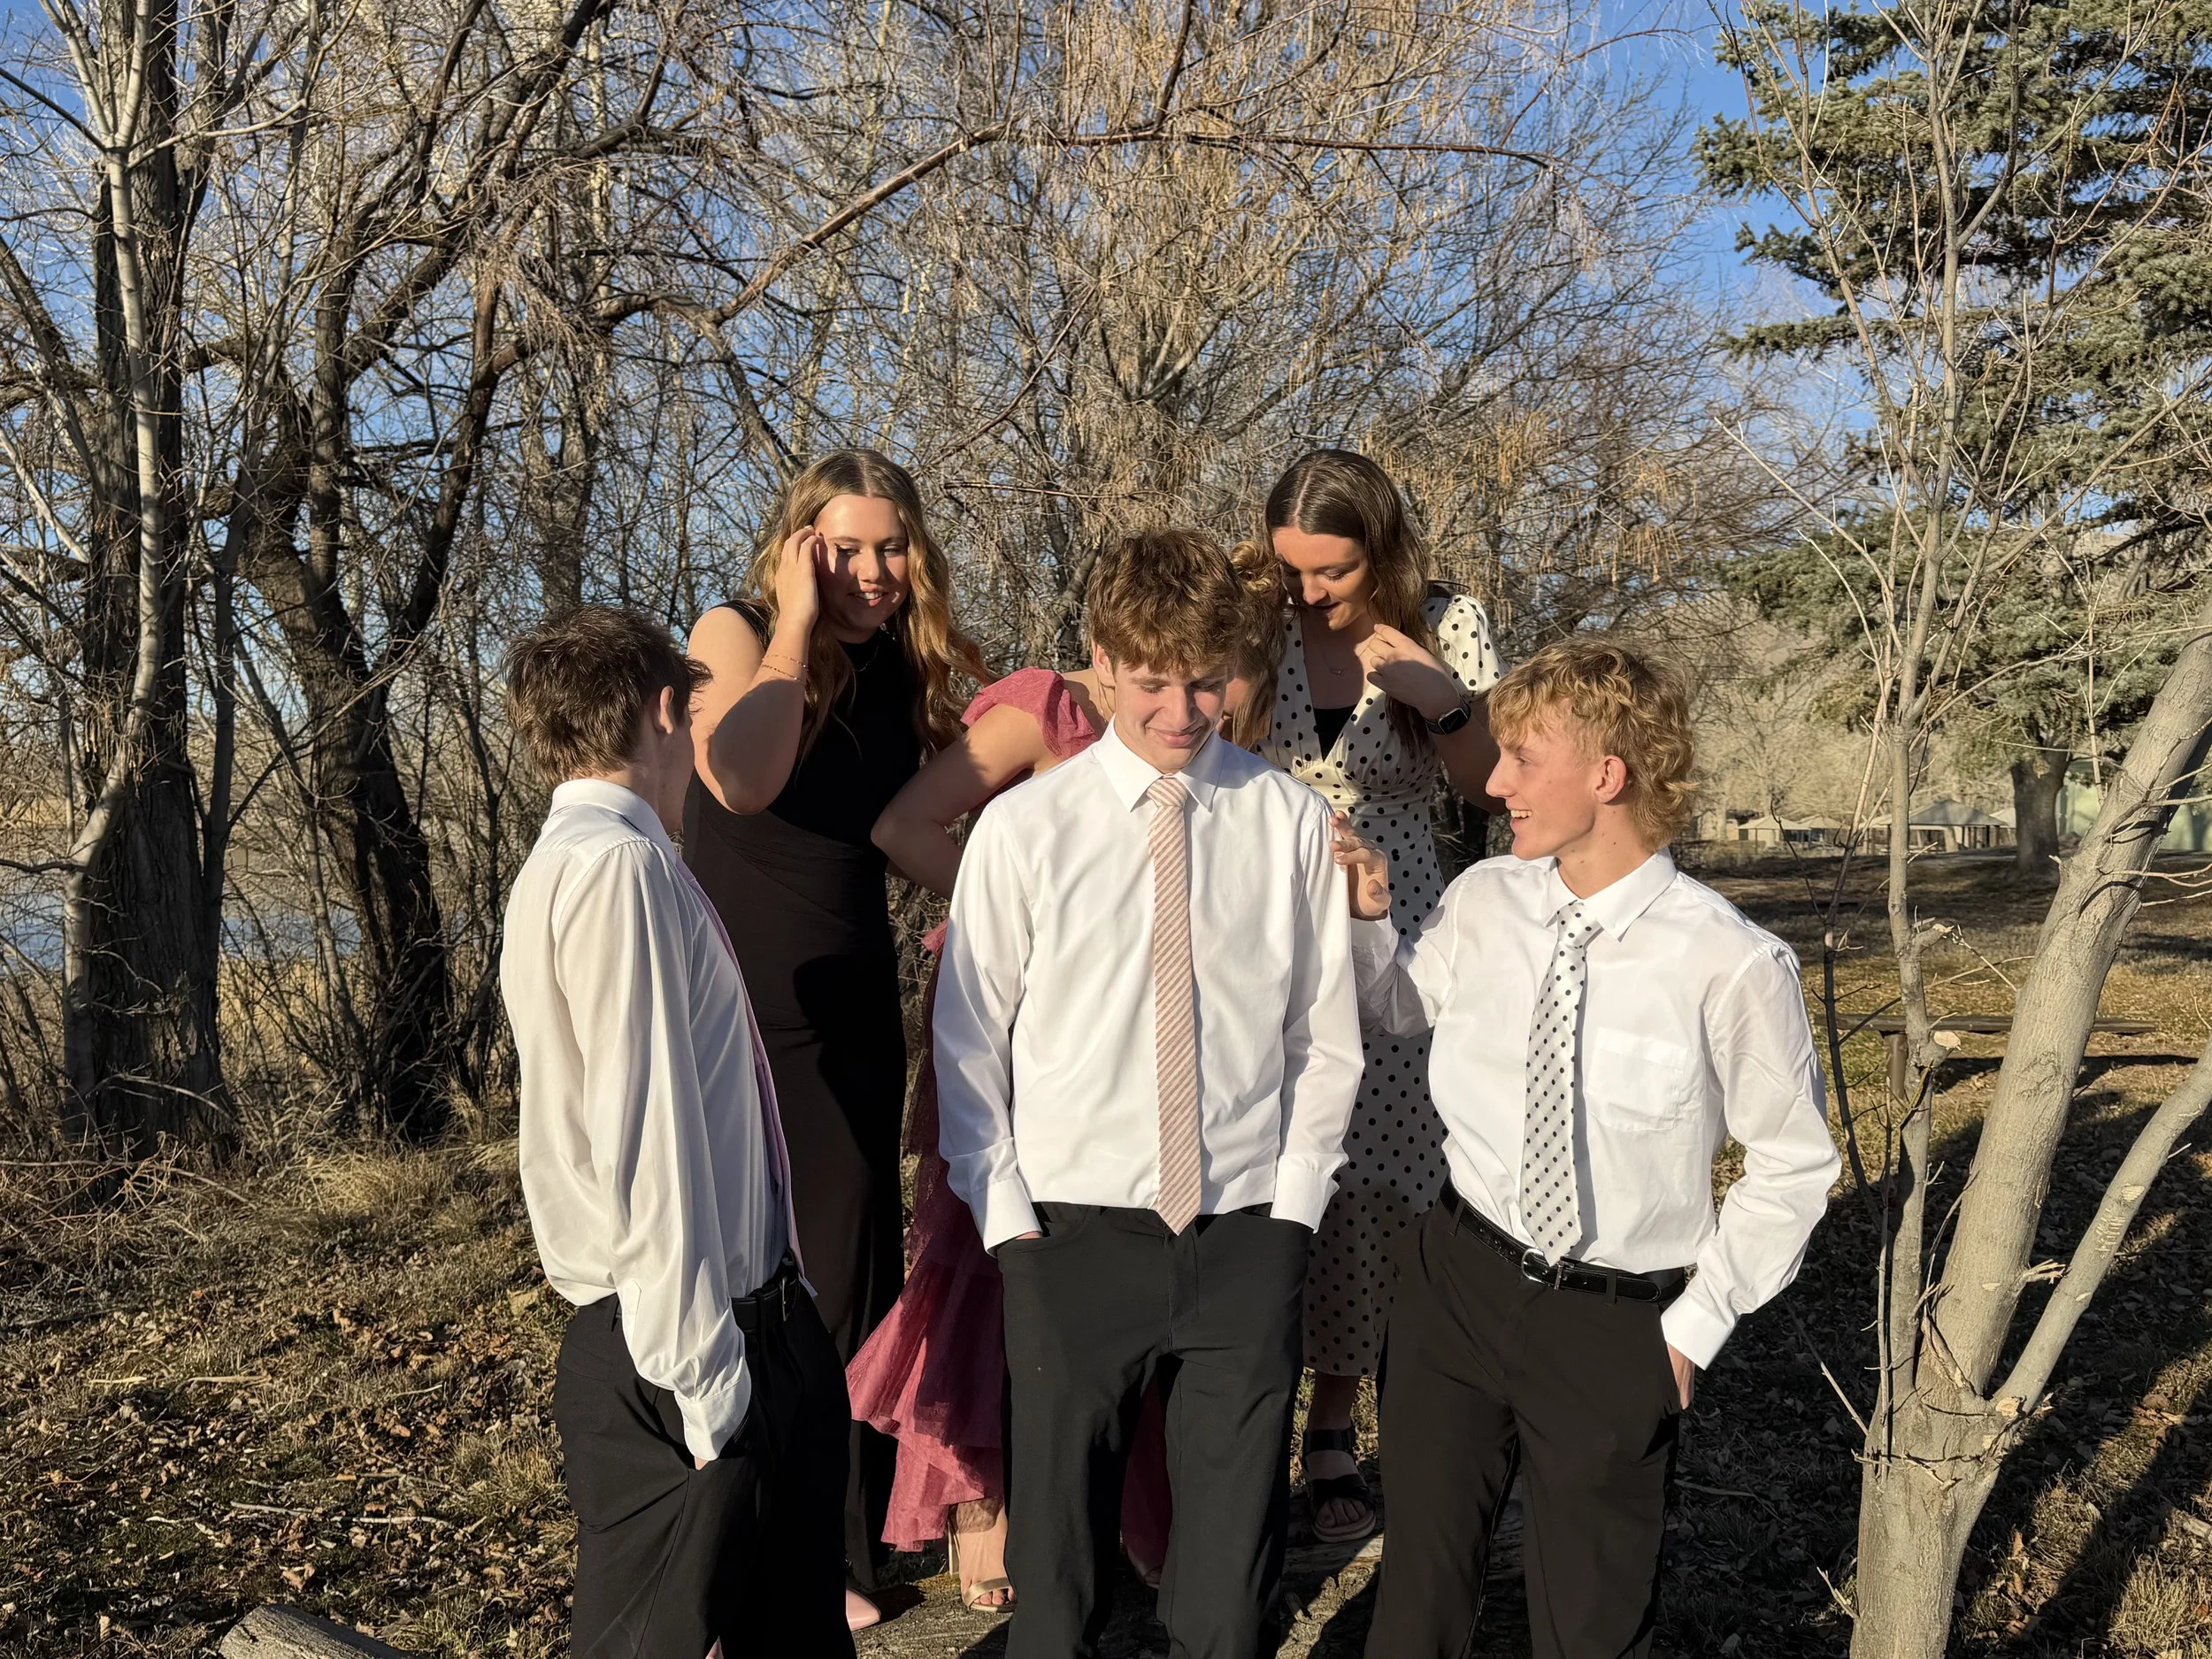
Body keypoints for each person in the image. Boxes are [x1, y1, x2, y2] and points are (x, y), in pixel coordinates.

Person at [1333, 638, 1839, 1659]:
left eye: (1522, 756)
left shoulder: (1728, 963)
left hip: (1614, 1328)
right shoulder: (1485, 899)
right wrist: (1365, 918)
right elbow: (1392, 1009)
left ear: (1607, 776)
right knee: (1417, 1596)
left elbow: (1794, 1165)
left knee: (1591, 1624)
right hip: (1454, 1285)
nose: (1499, 781)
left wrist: (1694, 1325)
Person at [933, 529, 1364, 1659]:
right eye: (1153, 678)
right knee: (1061, 1580)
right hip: (1072, 1233)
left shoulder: (1284, 820)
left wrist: (1293, 1210)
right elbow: (971, 1038)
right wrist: (1011, 1220)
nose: (1183, 707)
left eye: (1209, 678)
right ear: (1100, 661)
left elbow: (1325, 1034)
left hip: (1242, 1232)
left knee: (1229, 1585)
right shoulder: (1027, 830)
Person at [846, 641, 1275, 1610]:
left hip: (1155, 1031)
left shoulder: (1200, 722)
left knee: (1151, 1267)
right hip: (1023, 1000)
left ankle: (1139, 1514)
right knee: (994, 1256)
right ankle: (987, 1505)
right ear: (1112, 643)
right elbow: (902, 826)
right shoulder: (1043, 706)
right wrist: (1022, 910)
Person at [499, 605, 855, 1656]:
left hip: (729, 1327)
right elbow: (641, 1135)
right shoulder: (618, 871)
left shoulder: (588, 859)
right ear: (667, 709)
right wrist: (707, 1389)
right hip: (684, 1349)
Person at [684, 449, 985, 1629]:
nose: (870, 571)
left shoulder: (910, 669)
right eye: (843, 547)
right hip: (741, 1005)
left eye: (891, 547)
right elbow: (742, 777)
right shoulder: (733, 632)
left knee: (856, 1263)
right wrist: (796, 625)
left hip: (851, 997)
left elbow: (939, 814)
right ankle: (749, 1541)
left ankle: (844, 1550)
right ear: (798, 542)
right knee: (751, 1277)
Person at [1236, 448, 1503, 1544]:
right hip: (1254, 921)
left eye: (1332, 572)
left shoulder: (1448, 620)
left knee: (1383, 1169)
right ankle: (1238, 1419)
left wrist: (1442, 703)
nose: (1308, 594)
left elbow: (1493, 784)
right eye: (1291, 568)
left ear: (1382, 552)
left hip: (1394, 925)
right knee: (1263, 1162)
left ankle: (1341, 1426)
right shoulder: (1250, 618)